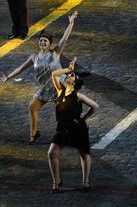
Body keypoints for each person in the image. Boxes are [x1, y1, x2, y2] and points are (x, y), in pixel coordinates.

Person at [0, 11, 79, 143]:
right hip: (45, 88)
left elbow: (65, 38)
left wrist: (71, 23)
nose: (42, 43)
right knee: (32, 107)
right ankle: (33, 135)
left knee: (64, 114)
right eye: (41, 40)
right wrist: (8, 77)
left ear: (50, 44)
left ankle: (73, 134)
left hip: (59, 88)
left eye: (45, 41)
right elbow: (20, 68)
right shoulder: (34, 57)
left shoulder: (55, 54)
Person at [47, 57, 99, 193]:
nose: (68, 76)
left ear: (74, 82)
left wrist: (84, 119)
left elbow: (95, 106)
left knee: (83, 153)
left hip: (77, 129)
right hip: (62, 129)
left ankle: (85, 182)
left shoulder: (79, 96)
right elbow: (54, 74)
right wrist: (69, 69)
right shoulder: (60, 90)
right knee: (52, 153)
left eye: (71, 75)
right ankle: (56, 182)